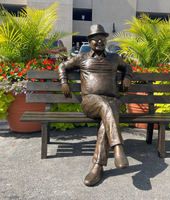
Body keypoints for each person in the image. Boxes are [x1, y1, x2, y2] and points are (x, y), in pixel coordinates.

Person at [58, 24, 132, 186]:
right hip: (90, 102)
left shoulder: (114, 58)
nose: (99, 41)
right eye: (95, 39)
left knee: (107, 116)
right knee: (106, 105)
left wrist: (127, 76)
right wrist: (64, 82)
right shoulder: (81, 58)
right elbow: (62, 66)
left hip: (112, 102)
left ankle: (97, 166)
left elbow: (127, 66)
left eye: (103, 38)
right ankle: (118, 147)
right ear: (90, 41)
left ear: (106, 40)